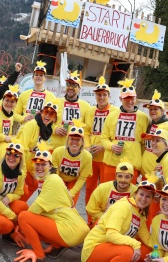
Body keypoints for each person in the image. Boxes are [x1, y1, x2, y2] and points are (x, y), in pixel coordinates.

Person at [82, 176, 157, 262]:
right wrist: (135, 244)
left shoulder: (140, 213)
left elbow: (147, 239)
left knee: (151, 253)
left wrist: (164, 251)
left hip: (109, 248)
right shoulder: (123, 206)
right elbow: (111, 235)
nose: (144, 199)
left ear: (152, 200)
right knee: (128, 251)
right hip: (93, 250)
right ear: (135, 193)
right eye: (141, 194)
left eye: (148, 196)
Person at [14, 145, 90, 262]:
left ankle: (39, 255)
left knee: (24, 217)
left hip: (70, 230)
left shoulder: (52, 179)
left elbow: (34, 210)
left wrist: (18, 226)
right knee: (30, 223)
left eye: (43, 164)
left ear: (50, 166)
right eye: (37, 164)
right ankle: (57, 245)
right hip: (73, 227)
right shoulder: (48, 179)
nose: (39, 167)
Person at [100, 78, 149, 183]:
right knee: (107, 194)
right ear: (120, 99)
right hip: (111, 163)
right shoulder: (112, 115)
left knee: (127, 197)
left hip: (132, 166)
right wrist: (111, 146)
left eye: (132, 98)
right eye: (126, 98)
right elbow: (103, 138)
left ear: (136, 98)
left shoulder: (144, 118)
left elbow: (145, 145)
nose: (130, 101)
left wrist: (141, 166)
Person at [0, 142, 29, 246]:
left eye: (16, 155)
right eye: (9, 153)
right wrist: (11, 216)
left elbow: (19, 193)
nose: (11, 157)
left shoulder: (20, 173)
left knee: (22, 206)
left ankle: (9, 234)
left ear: (21, 158)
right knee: (6, 224)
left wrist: (9, 197)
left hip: (4, 203)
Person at [84, 77, 119, 205]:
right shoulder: (90, 111)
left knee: (105, 189)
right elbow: (87, 131)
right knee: (89, 188)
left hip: (107, 157)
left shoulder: (115, 111)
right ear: (95, 96)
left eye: (104, 94)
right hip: (92, 157)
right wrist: (87, 146)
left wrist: (104, 147)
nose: (101, 97)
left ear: (109, 96)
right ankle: (89, 220)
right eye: (99, 94)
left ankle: (103, 219)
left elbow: (117, 136)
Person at [16, 101, 58, 200]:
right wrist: (24, 171)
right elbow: (22, 148)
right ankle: (17, 207)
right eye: (45, 112)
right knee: (23, 191)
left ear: (54, 118)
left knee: (34, 184)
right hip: (18, 161)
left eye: (51, 114)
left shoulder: (47, 129)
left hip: (29, 162)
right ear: (41, 112)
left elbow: (36, 152)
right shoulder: (32, 124)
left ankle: (19, 205)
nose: (47, 115)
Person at [51, 121, 92, 205]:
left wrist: (71, 193)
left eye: (78, 140)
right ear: (67, 139)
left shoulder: (87, 157)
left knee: (70, 204)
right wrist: (59, 189)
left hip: (74, 180)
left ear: (82, 141)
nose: (75, 142)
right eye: (72, 139)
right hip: (59, 179)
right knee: (55, 201)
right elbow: (54, 174)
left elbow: (82, 178)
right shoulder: (58, 152)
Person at [85, 162, 138, 226]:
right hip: (103, 220)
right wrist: (109, 217)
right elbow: (90, 209)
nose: (123, 180)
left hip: (124, 223)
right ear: (115, 176)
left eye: (127, 177)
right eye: (120, 176)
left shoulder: (136, 192)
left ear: (132, 178)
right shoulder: (102, 188)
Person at [49, 70, 91, 149]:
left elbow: (87, 130)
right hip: (54, 147)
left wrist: (87, 146)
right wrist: (55, 130)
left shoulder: (86, 106)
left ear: (79, 89)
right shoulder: (55, 102)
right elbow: (45, 124)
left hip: (74, 150)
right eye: (68, 84)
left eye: (74, 85)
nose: (70, 87)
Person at [141, 89, 168, 176]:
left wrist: (162, 165)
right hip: (146, 173)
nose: (152, 111)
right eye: (151, 109)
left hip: (157, 174)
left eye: (156, 109)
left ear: (162, 111)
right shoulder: (150, 124)